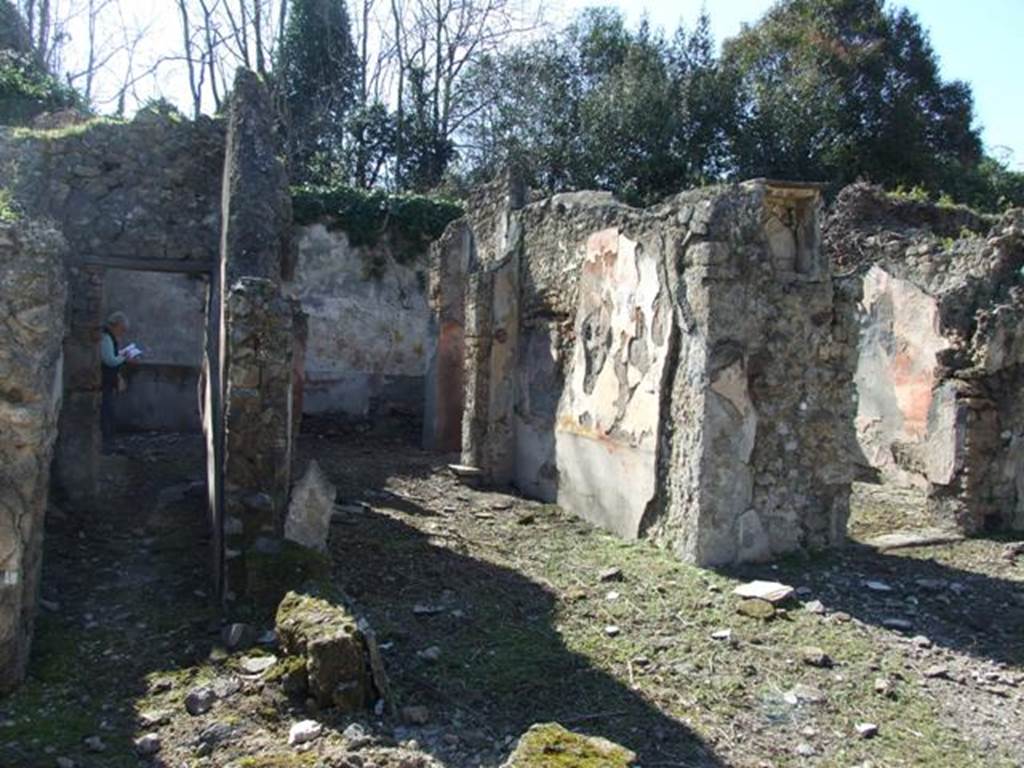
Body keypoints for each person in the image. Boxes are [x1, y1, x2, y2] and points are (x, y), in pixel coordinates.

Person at [99, 311, 136, 454]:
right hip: (106, 381)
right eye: (122, 329)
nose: (122, 333)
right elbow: (110, 360)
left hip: (108, 381)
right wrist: (124, 356)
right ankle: (107, 445)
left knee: (108, 412)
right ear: (116, 326)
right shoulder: (106, 338)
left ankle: (108, 443)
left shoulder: (108, 337)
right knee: (107, 412)